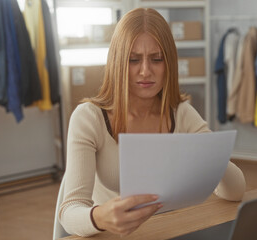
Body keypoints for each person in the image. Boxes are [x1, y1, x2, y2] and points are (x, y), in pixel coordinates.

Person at [59, 7, 246, 237]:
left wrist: (211, 154)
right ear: (117, 62)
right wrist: (100, 217)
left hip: (170, 231)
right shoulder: (88, 118)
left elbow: (236, 192)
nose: (145, 71)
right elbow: (69, 212)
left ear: (169, 63)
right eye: (133, 59)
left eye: (156, 59)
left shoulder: (182, 113)